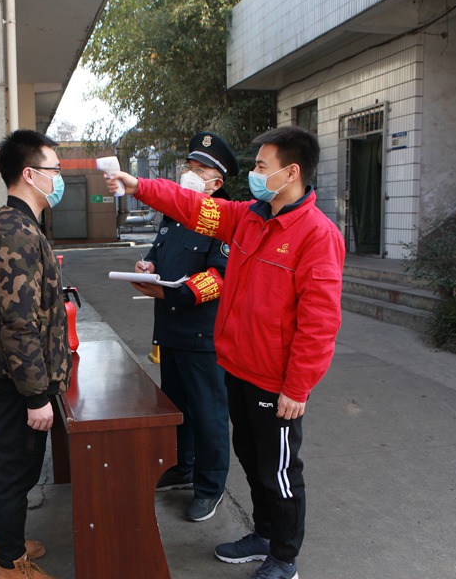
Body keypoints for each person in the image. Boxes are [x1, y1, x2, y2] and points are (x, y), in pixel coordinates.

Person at [107, 126, 344, 579]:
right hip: (237, 366)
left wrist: (298, 387)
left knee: (279, 471)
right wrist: (139, 186)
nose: (255, 173)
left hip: (275, 381)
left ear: (291, 172)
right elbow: (192, 206)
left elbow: (320, 322)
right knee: (252, 460)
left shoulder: (317, 235)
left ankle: (285, 558)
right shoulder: (249, 217)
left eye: (262, 166)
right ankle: (264, 534)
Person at [0, 129, 71, 579]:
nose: (59, 178)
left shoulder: (6, 223)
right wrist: (36, 396)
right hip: (17, 380)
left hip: (3, 375)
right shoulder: (18, 233)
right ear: (30, 174)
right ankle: (11, 565)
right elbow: (19, 323)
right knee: (14, 471)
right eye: (55, 170)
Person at [131, 132, 235, 523]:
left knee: (208, 413)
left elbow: (220, 277)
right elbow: (158, 255)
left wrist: (171, 293)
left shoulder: (223, 220)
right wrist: (147, 267)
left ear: (217, 182)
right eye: (189, 166)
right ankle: (183, 466)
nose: (190, 174)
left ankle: (210, 486)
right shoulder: (175, 215)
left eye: (200, 169)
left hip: (203, 335)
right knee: (178, 409)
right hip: (171, 330)